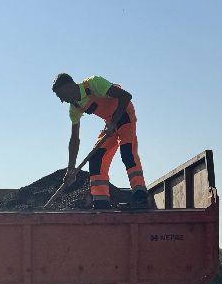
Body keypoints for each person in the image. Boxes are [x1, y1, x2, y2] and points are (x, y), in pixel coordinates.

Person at [51, 72, 149, 209]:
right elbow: (74, 139)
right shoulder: (74, 108)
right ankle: (101, 201)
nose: (62, 100)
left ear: (69, 87)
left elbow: (126, 96)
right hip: (110, 123)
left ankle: (140, 194)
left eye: (61, 95)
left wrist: (114, 121)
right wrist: (71, 169)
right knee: (96, 158)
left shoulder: (93, 83)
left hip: (124, 114)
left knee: (127, 151)